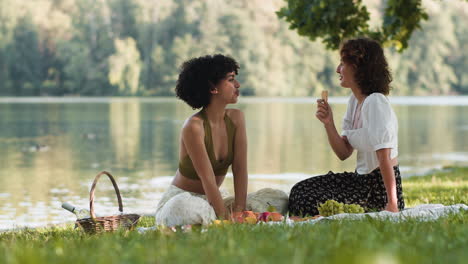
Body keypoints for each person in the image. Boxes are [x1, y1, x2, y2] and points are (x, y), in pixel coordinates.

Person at [155, 54, 288, 226]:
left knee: (278, 198)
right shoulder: (193, 127)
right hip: (182, 200)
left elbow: (240, 168)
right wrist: (226, 219)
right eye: (231, 80)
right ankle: (218, 217)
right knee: (184, 207)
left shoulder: (237, 118)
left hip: (214, 199)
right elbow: (208, 179)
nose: (237, 85)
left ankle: (214, 217)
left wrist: (240, 210)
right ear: (213, 88)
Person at [288, 38, 405, 216]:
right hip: (359, 181)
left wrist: (392, 204)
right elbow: (343, 153)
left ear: (358, 67)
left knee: (306, 200)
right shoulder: (354, 101)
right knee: (299, 191)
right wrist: (329, 123)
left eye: (342, 63)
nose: (337, 69)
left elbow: (385, 158)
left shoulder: (375, 102)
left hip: (376, 191)